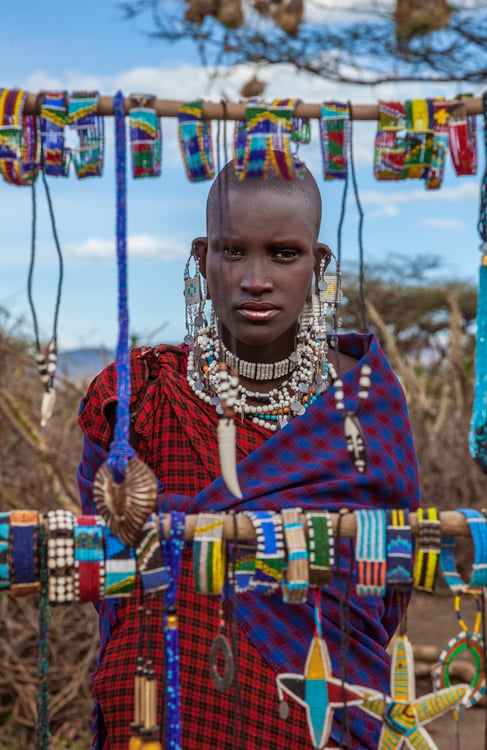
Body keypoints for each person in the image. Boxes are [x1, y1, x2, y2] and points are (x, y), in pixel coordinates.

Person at [77, 161, 420, 750]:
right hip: (160, 713)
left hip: (321, 717)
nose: (255, 278)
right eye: (233, 251)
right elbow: (109, 570)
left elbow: (386, 584)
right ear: (202, 258)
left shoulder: (364, 401)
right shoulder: (136, 396)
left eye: (284, 254)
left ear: (320, 265)